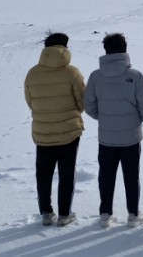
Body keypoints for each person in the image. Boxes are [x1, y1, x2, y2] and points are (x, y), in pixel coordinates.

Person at [84, 33, 143, 228]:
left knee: (106, 176)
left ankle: (105, 214)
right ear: (124, 49)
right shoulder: (135, 76)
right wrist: (135, 119)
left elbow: (88, 105)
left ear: (105, 50)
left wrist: (105, 118)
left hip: (106, 137)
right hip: (131, 136)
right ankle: (133, 215)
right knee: (132, 176)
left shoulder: (95, 76)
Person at [24, 32, 85, 227]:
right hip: (69, 132)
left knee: (43, 174)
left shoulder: (32, 73)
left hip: (42, 132)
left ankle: (46, 213)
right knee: (67, 174)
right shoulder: (72, 72)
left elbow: (30, 102)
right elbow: (82, 102)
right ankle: (64, 214)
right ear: (64, 48)